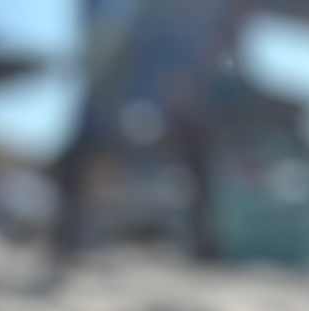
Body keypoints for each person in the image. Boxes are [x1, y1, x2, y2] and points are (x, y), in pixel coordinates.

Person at [53, 0, 249, 261]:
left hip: (169, 74)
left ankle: (206, 243)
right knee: (81, 150)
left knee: (197, 150)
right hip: (124, 74)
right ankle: (68, 238)